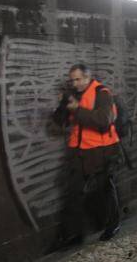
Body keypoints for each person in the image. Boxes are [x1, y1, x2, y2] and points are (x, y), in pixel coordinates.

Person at [52, 63, 122, 244]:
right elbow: (60, 122)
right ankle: (74, 234)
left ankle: (113, 224)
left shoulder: (102, 93)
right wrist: (62, 105)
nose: (75, 83)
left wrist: (77, 109)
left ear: (87, 77)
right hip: (79, 150)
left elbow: (103, 120)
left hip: (101, 150)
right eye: (72, 80)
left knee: (104, 189)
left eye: (78, 79)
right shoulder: (74, 95)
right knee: (73, 191)